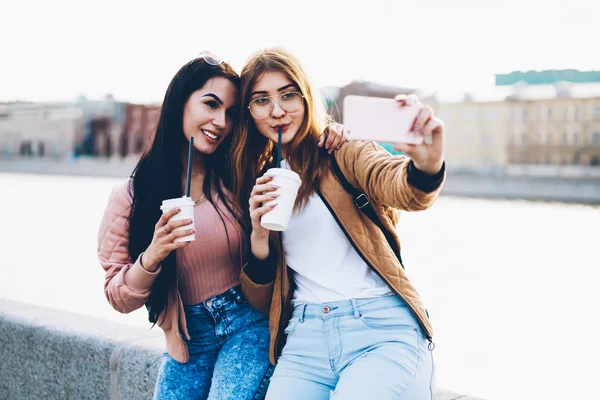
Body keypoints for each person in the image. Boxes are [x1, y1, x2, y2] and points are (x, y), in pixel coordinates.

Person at [97, 51, 347, 400]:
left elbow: (294, 142)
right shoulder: (131, 197)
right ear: (179, 103)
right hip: (188, 338)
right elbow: (118, 297)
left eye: (230, 113)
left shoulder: (240, 173)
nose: (220, 121)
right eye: (210, 105)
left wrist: (330, 135)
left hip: (248, 323)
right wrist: (153, 255)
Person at [231, 48, 446, 400]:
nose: (277, 110)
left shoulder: (342, 151)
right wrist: (258, 236)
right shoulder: (254, 181)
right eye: (261, 100)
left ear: (307, 97)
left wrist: (425, 166)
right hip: (305, 339)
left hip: (380, 328)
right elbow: (262, 299)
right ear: (249, 112)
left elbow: (399, 186)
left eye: (288, 95)